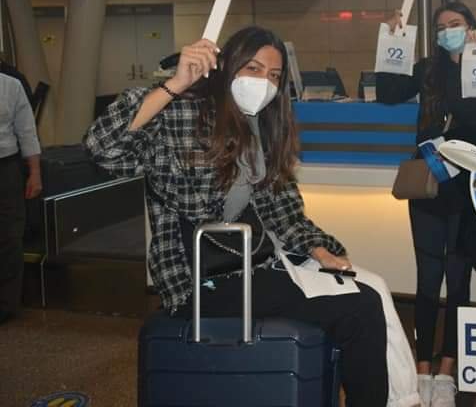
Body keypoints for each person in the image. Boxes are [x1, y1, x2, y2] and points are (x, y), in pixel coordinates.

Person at [84, 26, 418, 407]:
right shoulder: (183, 111)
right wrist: (174, 85)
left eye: (274, 76)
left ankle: (404, 399)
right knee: (360, 308)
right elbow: (101, 146)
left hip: (255, 261)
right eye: (253, 69)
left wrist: (317, 248)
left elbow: (283, 209)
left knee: (372, 286)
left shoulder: (261, 124)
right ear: (227, 66)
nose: (264, 83)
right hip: (202, 278)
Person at [376, 2, 476, 407]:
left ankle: (447, 372)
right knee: (427, 280)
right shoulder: (427, 70)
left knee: (458, 281)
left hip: (467, 187)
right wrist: (392, 41)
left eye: (456, 24)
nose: (448, 31)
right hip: (430, 182)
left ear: (472, 26)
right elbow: (387, 93)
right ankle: (422, 370)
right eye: (441, 27)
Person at [0, 73, 42, 325]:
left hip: (6, 167)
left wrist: (35, 173)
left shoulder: (10, 85)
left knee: (9, 236)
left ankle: (6, 305)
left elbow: (27, 131)